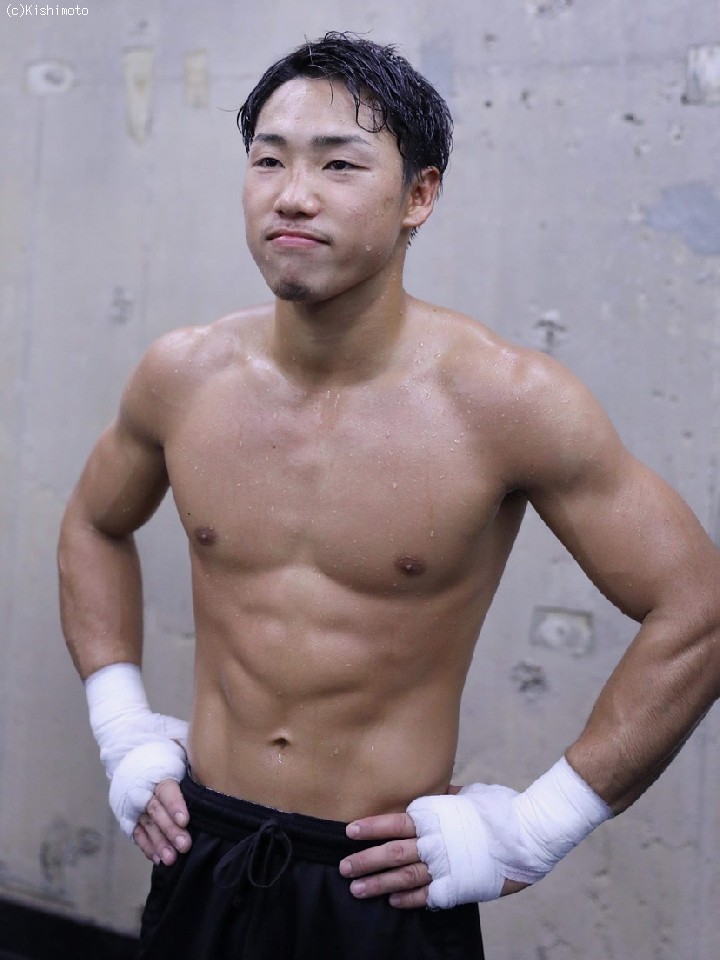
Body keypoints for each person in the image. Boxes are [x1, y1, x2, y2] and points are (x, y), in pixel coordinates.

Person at [58, 31, 720, 960]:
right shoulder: (183, 375)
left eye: (339, 164)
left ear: (419, 196)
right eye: (268, 160)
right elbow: (94, 524)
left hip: (380, 885)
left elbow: (698, 607)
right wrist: (122, 727)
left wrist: (537, 827)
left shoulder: (507, 401)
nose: (293, 194)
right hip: (201, 853)